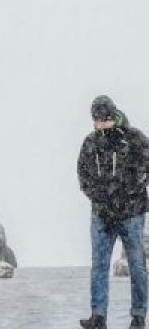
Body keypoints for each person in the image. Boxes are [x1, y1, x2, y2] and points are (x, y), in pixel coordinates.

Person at [78, 96, 149, 329]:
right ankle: (98, 317)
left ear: (113, 115)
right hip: (101, 215)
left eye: (103, 119)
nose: (99, 124)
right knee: (99, 265)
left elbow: (146, 168)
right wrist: (101, 197)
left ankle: (139, 316)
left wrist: (129, 191)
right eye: (96, 120)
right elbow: (84, 176)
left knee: (137, 265)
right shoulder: (90, 143)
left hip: (132, 214)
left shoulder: (135, 139)